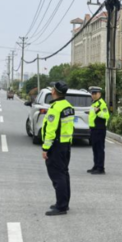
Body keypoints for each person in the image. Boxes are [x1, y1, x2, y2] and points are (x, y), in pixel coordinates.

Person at [42, 81, 75, 216]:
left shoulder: (56, 108)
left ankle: (61, 207)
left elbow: (51, 130)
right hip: (65, 145)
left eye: (52, 89)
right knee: (64, 174)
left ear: (54, 91)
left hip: (56, 146)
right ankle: (64, 203)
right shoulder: (68, 106)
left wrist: (45, 148)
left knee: (57, 176)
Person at [88, 86, 110, 174]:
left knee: (99, 149)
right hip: (94, 129)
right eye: (92, 93)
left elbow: (106, 115)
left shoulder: (101, 103)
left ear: (99, 94)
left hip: (99, 129)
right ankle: (96, 166)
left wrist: (98, 112)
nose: (93, 95)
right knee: (95, 149)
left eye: (95, 93)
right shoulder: (94, 103)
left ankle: (100, 168)